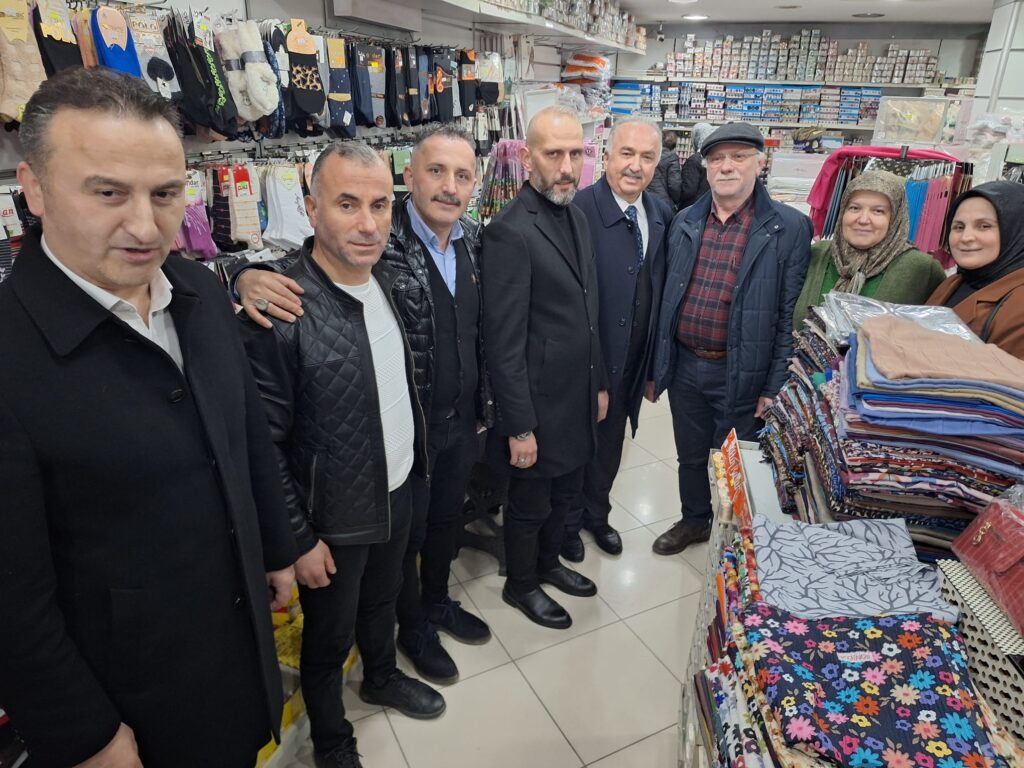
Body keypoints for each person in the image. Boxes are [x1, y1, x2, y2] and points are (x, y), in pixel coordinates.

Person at [0, 67, 297, 768]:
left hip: (231, 649)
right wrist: (84, 733)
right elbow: (10, 598)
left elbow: (244, 432)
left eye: (165, 194)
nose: (144, 225)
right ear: (34, 189)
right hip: (126, 703)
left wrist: (274, 544)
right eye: (107, 193)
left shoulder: (197, 288)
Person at [234, 126, 493, 686]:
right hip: (367, 465)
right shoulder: (380, 247)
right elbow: (312, 266)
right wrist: (242, 274)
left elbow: (481, 330)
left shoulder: (470, 243)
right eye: (436, 171)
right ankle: (406, 637)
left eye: (463, 175)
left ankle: (423, 619)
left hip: (439, 433)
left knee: (432, 537)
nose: (449, 187)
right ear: (409, 179)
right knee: (363, 590)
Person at [239, 142, 445, 768]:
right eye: (347, 204)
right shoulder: (282, 309)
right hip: (332, 518)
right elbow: (264, 445)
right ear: (311, 209)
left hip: (399, 486)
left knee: (385, 599)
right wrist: (298, 540)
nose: (367, 223)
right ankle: (331, 740)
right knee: (327, 641)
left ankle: (381, 676)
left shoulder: (393, 280)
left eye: (380, 205)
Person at [650, 122, 811, 555]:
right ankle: (694, 520)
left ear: (760, 163)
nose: (726, 166)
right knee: (689, 454)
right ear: (705, 167)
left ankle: (739, 538)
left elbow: (787, 315)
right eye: (717, 158)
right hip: (686, 364)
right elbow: (668, 298)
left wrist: (773, 387)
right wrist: (659, 366)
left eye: (739, 157)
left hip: (743, 369)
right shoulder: (685, 221)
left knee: (736, 460)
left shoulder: (789, 228)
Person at [482, 105, 607, 629]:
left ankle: (549, 563)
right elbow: (503, 342)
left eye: (576, 153)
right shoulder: (510, 231)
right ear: (528, 158)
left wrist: (599, 383)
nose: (566, 166)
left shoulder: (575, 215)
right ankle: (521, 583)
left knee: (566, 493)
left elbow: (589, 309)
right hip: (537, 403)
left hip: (576, 395)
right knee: (531, 504)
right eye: (554, 154)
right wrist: (520, 426)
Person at [562, 117, 673, 562]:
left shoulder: (659, 214)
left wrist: (652, 367)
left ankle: (596, 514)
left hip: (631, 359)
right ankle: (567, 524)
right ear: (606, 156)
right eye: (626, 153)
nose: (635, 165)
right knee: (577, 447)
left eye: (647, 157)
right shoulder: (578, 210)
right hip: (585, 363)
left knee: (610, 445)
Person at [792, 170, 947, 329]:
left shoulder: (921, 269)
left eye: (878, 211)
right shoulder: (817, 255)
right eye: (854, 208)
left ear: (895, 219)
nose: (863, 219)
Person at [927, 180, 1024, 358]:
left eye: (984, 226)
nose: (966, 237)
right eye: (959, 227)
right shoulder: (955, 282)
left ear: (1016, 230)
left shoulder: (1019, 301)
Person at [678, 122, 714, 210]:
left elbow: (688, 190)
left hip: (692, 207)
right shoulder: (713, 159)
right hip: (708, 205)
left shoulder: (694, 160)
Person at [647, 129, 683, 210]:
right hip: (663, 202)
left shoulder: (649, 154)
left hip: (646, 198)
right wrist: (677, 200)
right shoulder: (672, 157)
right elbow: (674, 184)